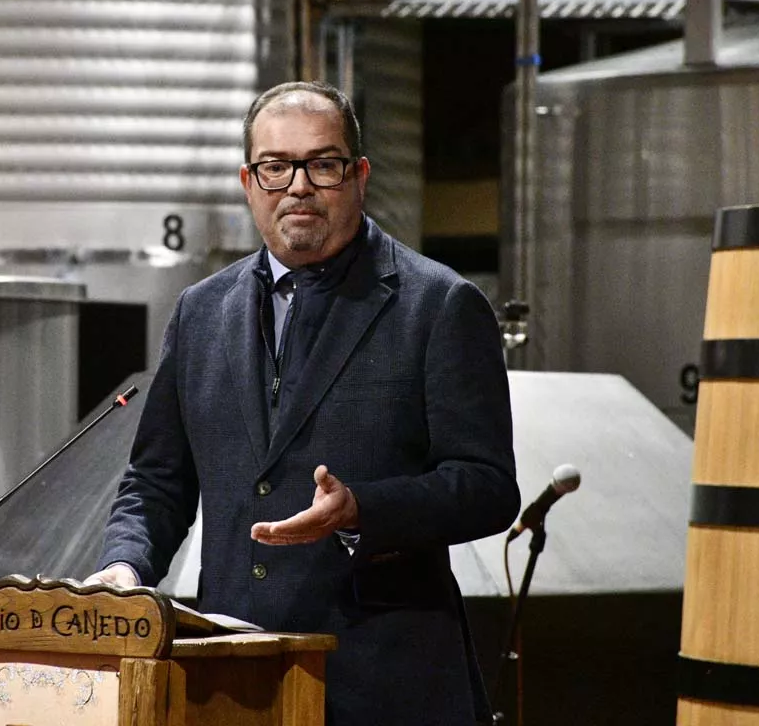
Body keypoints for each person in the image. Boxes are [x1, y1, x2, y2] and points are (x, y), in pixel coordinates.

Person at [85, 80, 519, 725]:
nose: (299, 185)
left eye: (323, 164)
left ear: (359, 175)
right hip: (230, 675)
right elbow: (157, 481)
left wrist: (361, 509)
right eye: (275, 167)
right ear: (248, 180)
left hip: (384, 682)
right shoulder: (201, 312)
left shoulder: (438, 305)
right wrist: (123, 565)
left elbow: (487, 487)